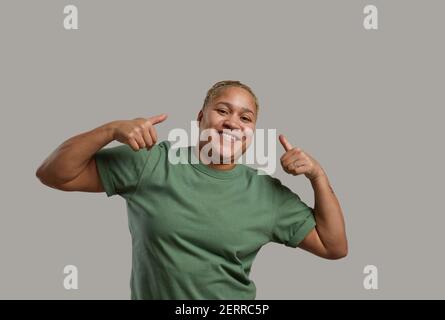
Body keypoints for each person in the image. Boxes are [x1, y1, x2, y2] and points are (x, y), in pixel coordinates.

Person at [36, 80, 348, 299]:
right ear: (200, 118)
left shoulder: (265, 192)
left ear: (252, 132)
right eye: (222, 111)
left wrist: (317, 175)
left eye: (246, 117)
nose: (232, 123)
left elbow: (333, 246)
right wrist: (110, 129)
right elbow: (54, 174)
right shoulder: (153, 163)